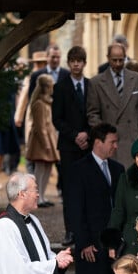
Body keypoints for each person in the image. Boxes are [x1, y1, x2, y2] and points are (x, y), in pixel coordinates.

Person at [0, 172, 73, 274]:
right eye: (35, 190)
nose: (38, 195)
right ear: (22, 194)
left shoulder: (34, 220)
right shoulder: (4, 227)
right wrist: (54, 264)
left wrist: (57, 260)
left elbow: (44, 256)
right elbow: (20, 272)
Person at [66, 123, 125, 274]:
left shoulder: (118, 169)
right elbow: (74, 210)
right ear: (98, 142)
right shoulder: (78, 170)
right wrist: (84, 243)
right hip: (90, 247)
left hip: (113, 247)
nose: (116, 146)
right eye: (112, 142)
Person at [87, 43, 138, 168]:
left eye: (121, 60)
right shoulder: (96, 83)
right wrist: (103, 136)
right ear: (107, 58)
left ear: (125, 57)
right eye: (114, 60)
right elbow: (92, 114)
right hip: (110, 144)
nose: (117, 64)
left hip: (133, 141)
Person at [52, 45, 90, 246]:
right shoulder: (60, 87)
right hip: (68, 146)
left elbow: (94, 115)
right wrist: (75, 135)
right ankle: (71, 231)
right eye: (73, 60)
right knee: (69, 190)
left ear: (85, 63)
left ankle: (87, 228)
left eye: (80, 60)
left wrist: (87, 136)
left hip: (87, 147)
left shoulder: (91, 86)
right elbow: (56, 119)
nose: (76, 64)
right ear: (69, 63)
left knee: (87, 189)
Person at [28, 44, 69, 194]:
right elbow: (31, 100)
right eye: (53, 57)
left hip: (61, 124)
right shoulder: (37, 76)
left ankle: (60, 188)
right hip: (44, 125)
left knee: (59, 159)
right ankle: (39, 195)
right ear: (47, 57)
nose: (56, 60)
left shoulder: (66, 74)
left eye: (58, 57)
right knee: (44, 161)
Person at [26, 74, 60, 207]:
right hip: (42, 140)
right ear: (45, 87)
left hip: (49, 137)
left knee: (47, 167)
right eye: (51, 86)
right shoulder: (39, 104)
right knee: (40, 168)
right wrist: (46, 143)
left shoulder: (47, 102)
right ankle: (37, 197)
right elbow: (40, 126)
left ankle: (42, 196)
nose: (52, 89)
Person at [14, 51, 48, 173]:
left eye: (43, 63)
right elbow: (24, 97)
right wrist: (18, 116)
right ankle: (31, 174)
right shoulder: (31, 77)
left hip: (48, 117)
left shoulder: (50, 77)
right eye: (39, 63)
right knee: (31, 144)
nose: (41, 65)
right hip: (33, 115)